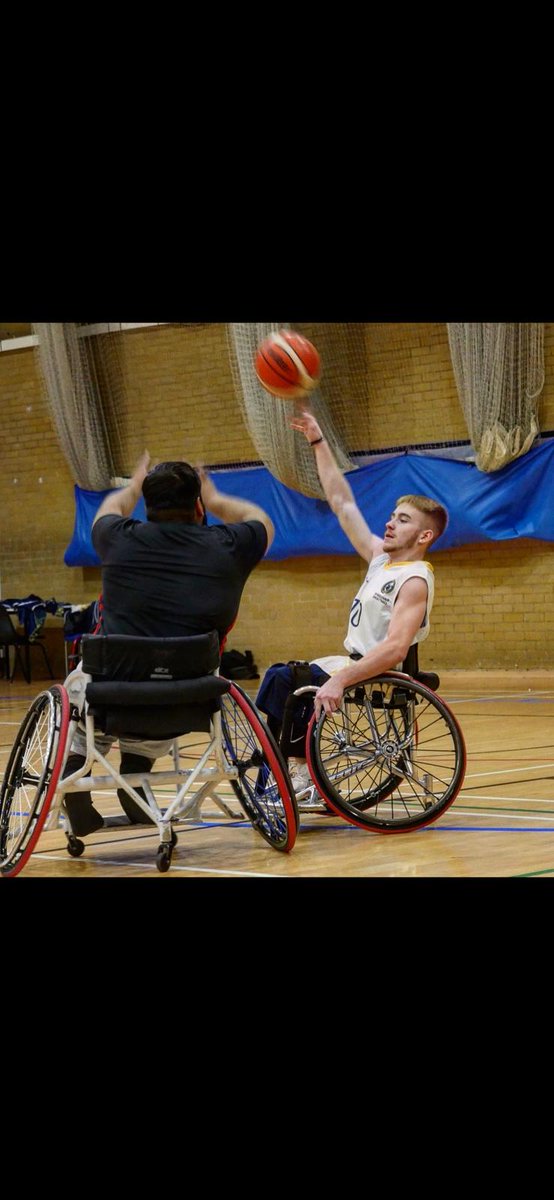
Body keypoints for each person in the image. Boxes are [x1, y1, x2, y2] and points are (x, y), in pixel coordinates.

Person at [63, 452, 274, 835]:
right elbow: (262, 521)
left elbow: (108, 509)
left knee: (84, 688)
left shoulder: (117, 538)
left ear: (146, 507)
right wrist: (217, 500)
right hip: (187, 698)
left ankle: (77, 771)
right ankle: (137, 772)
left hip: (111, 694)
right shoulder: (229, 545)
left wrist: (130, 486)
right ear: (197, 506)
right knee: (164, 678)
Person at [255, 408, 448, 795]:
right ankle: (277, 770)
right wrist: (318, 442)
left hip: (377, 672)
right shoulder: (382, 560)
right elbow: (342, 502)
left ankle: (297, 772)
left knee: (287, 680)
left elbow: (394, 648)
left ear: (425, 536)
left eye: (404, 520)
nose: (390, 523)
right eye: (393, 516)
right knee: (279, 677)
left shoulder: (414, 580)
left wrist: (341, 680)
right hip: (353, 663)